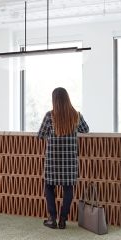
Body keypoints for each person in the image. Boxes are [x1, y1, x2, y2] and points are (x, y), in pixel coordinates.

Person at [38, 87, 89, 229]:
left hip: (53, 160)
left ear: (54, 100)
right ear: (67, 99)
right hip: (69, 161)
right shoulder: (76, 115)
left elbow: (40, 135)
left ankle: (52, 219)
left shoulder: (50, 115)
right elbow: (86, 130)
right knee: (68, 189)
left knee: (49, 187)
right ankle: (63, 220)